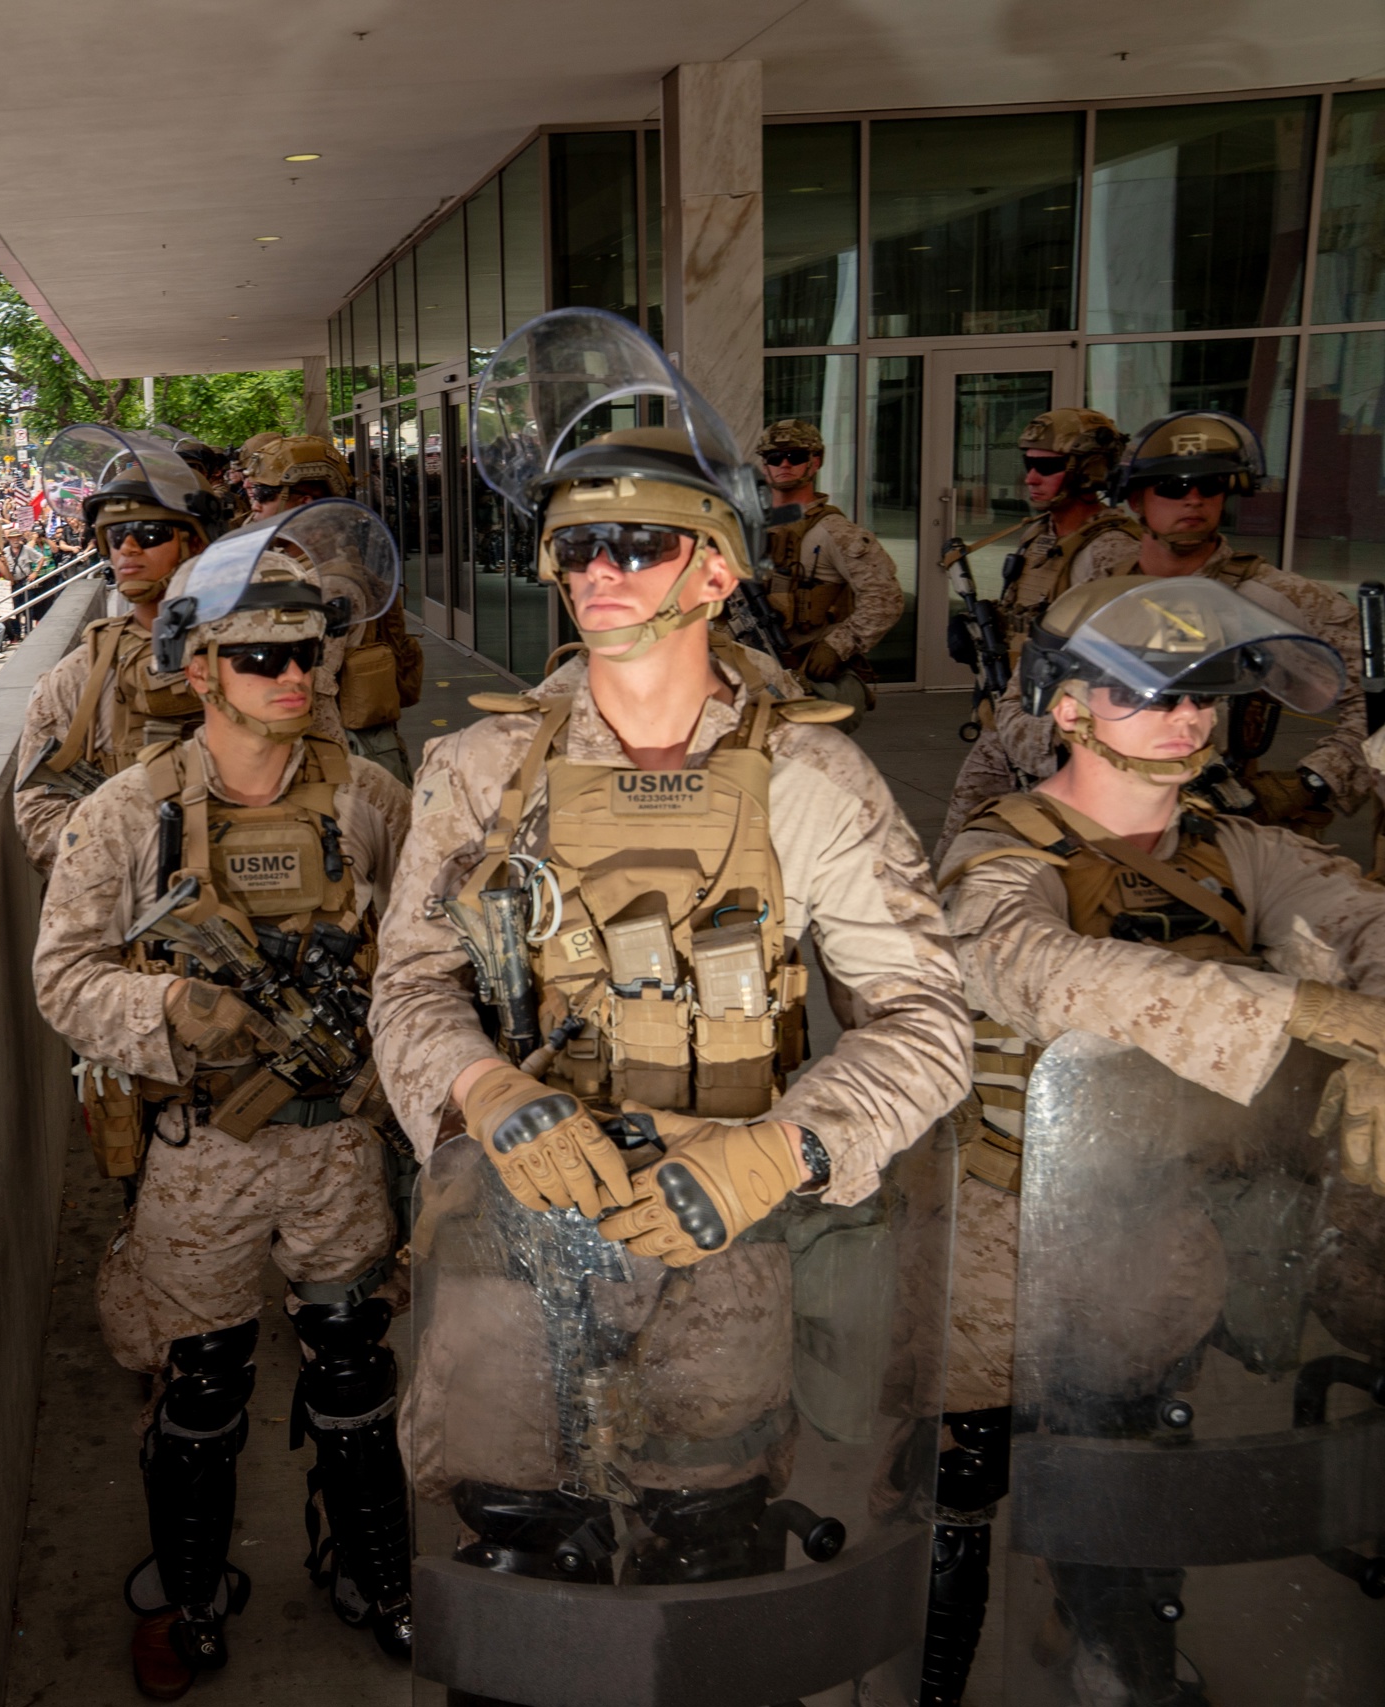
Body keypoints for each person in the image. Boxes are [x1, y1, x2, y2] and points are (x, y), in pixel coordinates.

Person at [367, 313, 968, 1700]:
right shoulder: (479, 770)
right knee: (519, 1585)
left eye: (636, 542)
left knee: (707, 1578)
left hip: (727, 1252)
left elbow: (929, 1019)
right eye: (578, 543)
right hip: (514, 1251)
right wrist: (484, 1089)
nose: (599, 570)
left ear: (717, 565)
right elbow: (410, 987)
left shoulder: (811, 783)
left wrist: (787, 1144)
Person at [930, 575, 1385, 1705]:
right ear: (1069, 711)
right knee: (962, 1486)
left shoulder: (1233, 848)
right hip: (1003, 1245)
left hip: (1156, 1239)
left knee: (1141, 1463)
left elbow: (1361, 921)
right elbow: (1035, 968)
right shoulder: (998, 852)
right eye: (1146, 693)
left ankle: (1115, 1653)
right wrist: (1301, 1017)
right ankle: (939, 1672)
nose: (1187, 719)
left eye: (1204, 696)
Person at [33, 523, 415, 1695]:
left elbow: (424, 963)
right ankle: (193, 1596)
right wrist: (176, 1014)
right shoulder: (127, 814)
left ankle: (376, 1575)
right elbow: (65, 977)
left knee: (351, 1372)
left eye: (306, 653)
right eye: (259, 659)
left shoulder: (369, 801)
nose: (292, 676)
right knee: (201, 1385)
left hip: (339, 1142)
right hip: (203, 1147)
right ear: (199, 671)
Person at [967, 411, 1368, 845]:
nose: (1193, 499)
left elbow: (1376, 699)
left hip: (1212, 826)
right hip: (1090, 816)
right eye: (1172, 487)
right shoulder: (1099, 591)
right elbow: (1021, 700)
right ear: (1136, 501)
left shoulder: (1273, 598)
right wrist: (1066, 751)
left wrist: (1313, 781)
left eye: (1210, 486)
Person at [933, 409, 1141, 862]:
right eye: (1028, 463)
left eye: (1047, 466)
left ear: (1088, 470)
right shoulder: (1041, 537)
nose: (1030, 477)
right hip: (1010, 722)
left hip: (1064, 737)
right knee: (959, 847)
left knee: (1073, 859)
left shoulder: (1112, 551)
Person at [12, 431, 221, 883]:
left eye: (149, 533)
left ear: (197, 542)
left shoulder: (261, 660)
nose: (128, 549)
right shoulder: (72, 682)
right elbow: (38, 820)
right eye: (117, 535)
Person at [240, 434, 427, 781]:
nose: (254, 505)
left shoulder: (331, 583)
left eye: (263, 495)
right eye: (251, 493)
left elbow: (315, 687)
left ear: (304, 503)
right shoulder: (303, 564)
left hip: (345, 754)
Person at [746, 418, 907, 717]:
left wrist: (837, 645)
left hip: (804, 672)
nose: (784, 464)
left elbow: (885, 599)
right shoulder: (752, 526)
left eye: (795, 457)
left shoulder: (835, 532)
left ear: (815, 461)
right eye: (774, 458)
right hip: (750, 671)